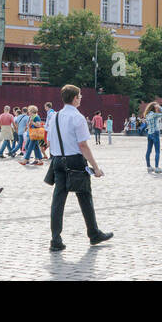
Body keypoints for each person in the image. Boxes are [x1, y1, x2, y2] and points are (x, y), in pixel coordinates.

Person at [46, 83, 112, 251]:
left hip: (57, 160)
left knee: (58, 200)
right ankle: (94, 233)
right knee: (84, 196)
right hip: (74, 160)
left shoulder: (55, 116)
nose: (81, 98)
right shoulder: (77, 117)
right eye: (80, 96)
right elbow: (83, 145)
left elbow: (49, 140)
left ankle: (55, 239)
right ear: (75, 98)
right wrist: (95, 167)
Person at [143, 102, 162, 174]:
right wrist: (160, 107)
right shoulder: (154, 115)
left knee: (148, 151)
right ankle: (156, 167)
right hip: (155, 133)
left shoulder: (147, 115)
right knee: (157, 151)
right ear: (154, 107)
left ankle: (149, 167)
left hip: (149, 133)